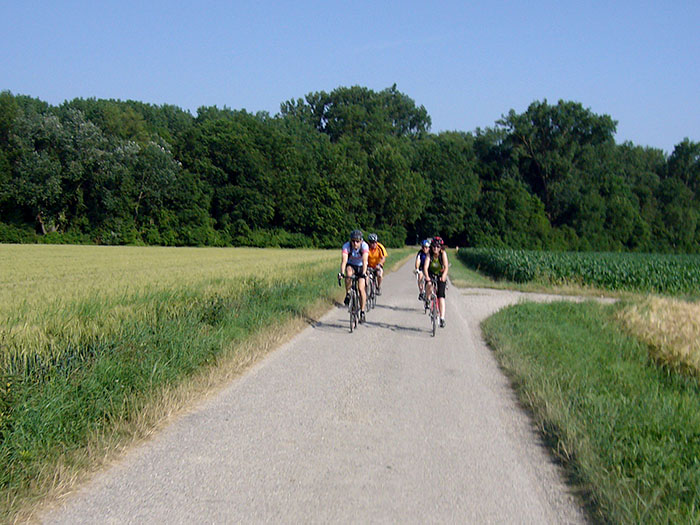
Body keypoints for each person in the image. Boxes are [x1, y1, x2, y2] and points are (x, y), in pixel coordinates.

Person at [340, 229, 369, 323]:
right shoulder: (346, 246)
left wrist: (364, 273)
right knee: (348, 273)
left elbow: (365, 261)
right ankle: (348, 293)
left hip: (361, 266)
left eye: (357, 241)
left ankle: (363, 312)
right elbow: (344, 261)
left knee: (361, 288)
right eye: (353, 241)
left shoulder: (364, 246)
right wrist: (341, 273)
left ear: (361, 241)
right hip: (351, 265)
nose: (355, 243)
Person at [423, 236, 449, 328]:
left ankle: (442, 318)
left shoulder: (443, 254)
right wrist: (427, 277)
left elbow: (446, 267)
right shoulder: (429, 254)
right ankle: (427, 299)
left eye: (438, 247)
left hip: (440, 275)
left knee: (441, 296)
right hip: (431, 273)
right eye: (434, 246)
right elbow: (425, 267)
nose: (435, 248)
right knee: (429, 284)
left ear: (441, 247)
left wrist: (443, 277)